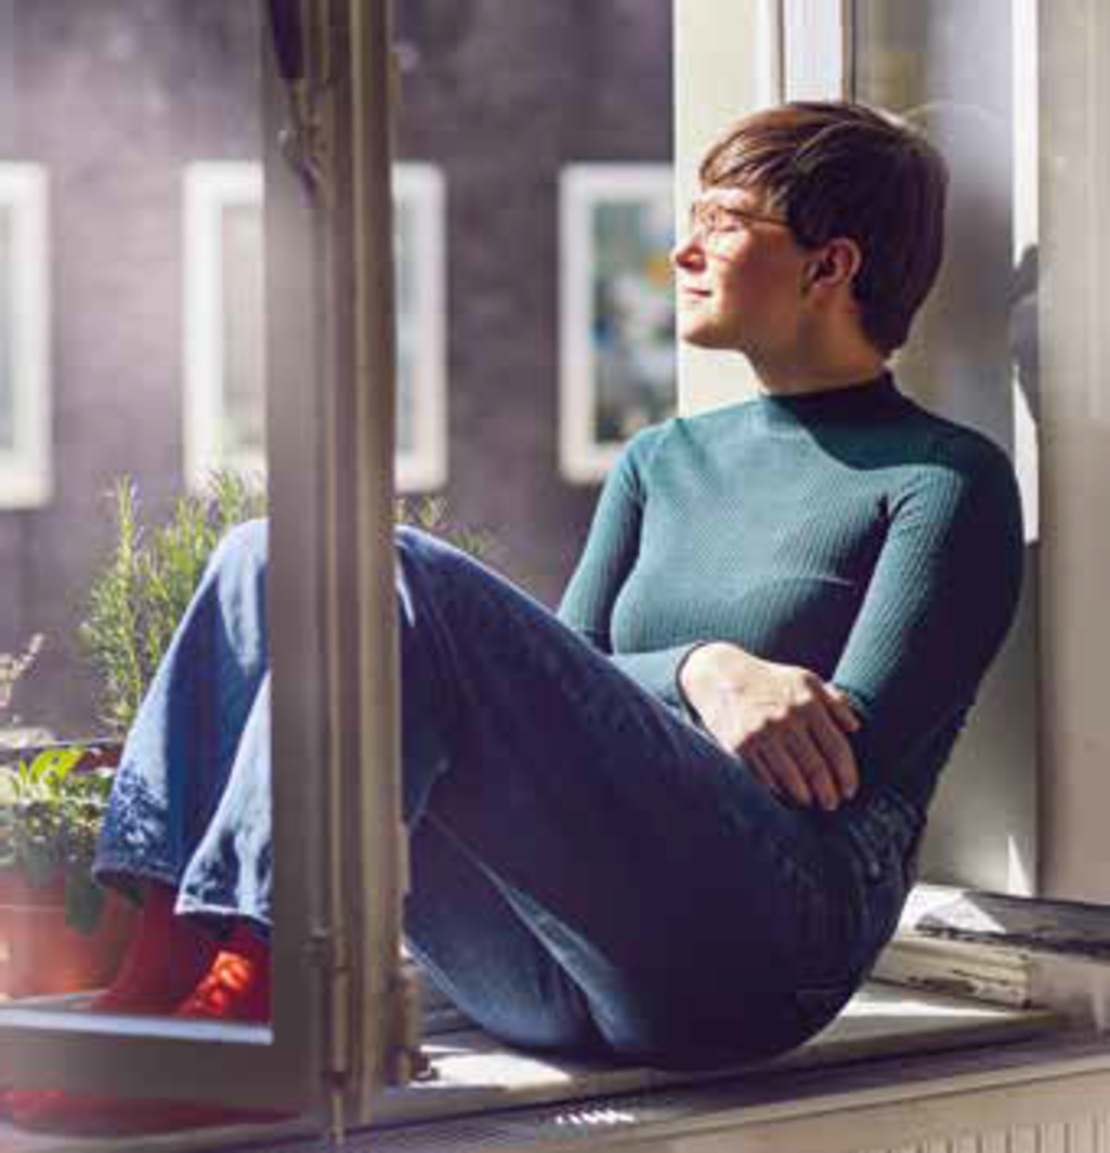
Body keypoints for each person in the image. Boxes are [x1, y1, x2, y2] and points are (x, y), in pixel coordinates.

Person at [5, 100, 1024, 1131]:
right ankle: (165, 982)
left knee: (393, 573)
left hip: (761, 953)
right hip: (547, 965)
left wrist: (655, 693)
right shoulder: (660, 463)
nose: (681, 249)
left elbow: (837, 768)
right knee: (269, 550)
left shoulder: (944, 482)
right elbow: (563, 694)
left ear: (829, 265)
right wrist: (699, 669)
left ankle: (273, 1003)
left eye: (722, 219)